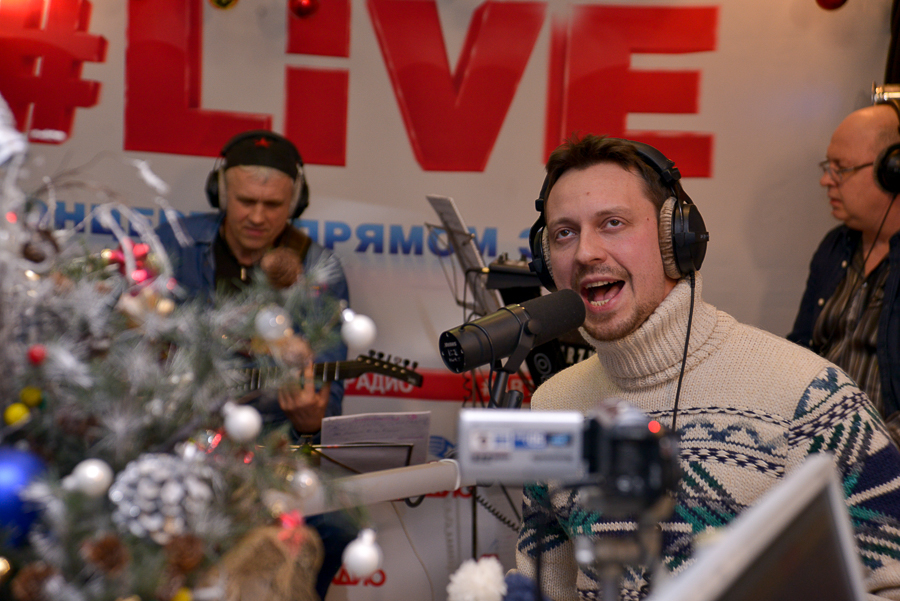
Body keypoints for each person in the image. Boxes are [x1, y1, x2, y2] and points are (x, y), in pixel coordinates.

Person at [515, 134, 900, 600]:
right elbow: (544, 588)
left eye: (612, 223)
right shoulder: (551, 407)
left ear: (674, 239)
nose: (585, 253)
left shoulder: (810, 397)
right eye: (564, 233)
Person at [154, 129, 354, 600]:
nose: (258, 217)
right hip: (175, 442)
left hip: (269, 453)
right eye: (246, 201)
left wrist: (310, 420)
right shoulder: (174, 244)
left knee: (337, 529)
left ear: (296, 203)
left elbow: (327, 405)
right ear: (221, 192)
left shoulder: (319, 269)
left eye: (273, 205)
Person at [788, 103, 900, 445]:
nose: (826, 180)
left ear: (893, 170)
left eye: (841, 168)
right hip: (817, 442)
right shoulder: (835, 246)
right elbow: (800, 348)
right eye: (828, 167)